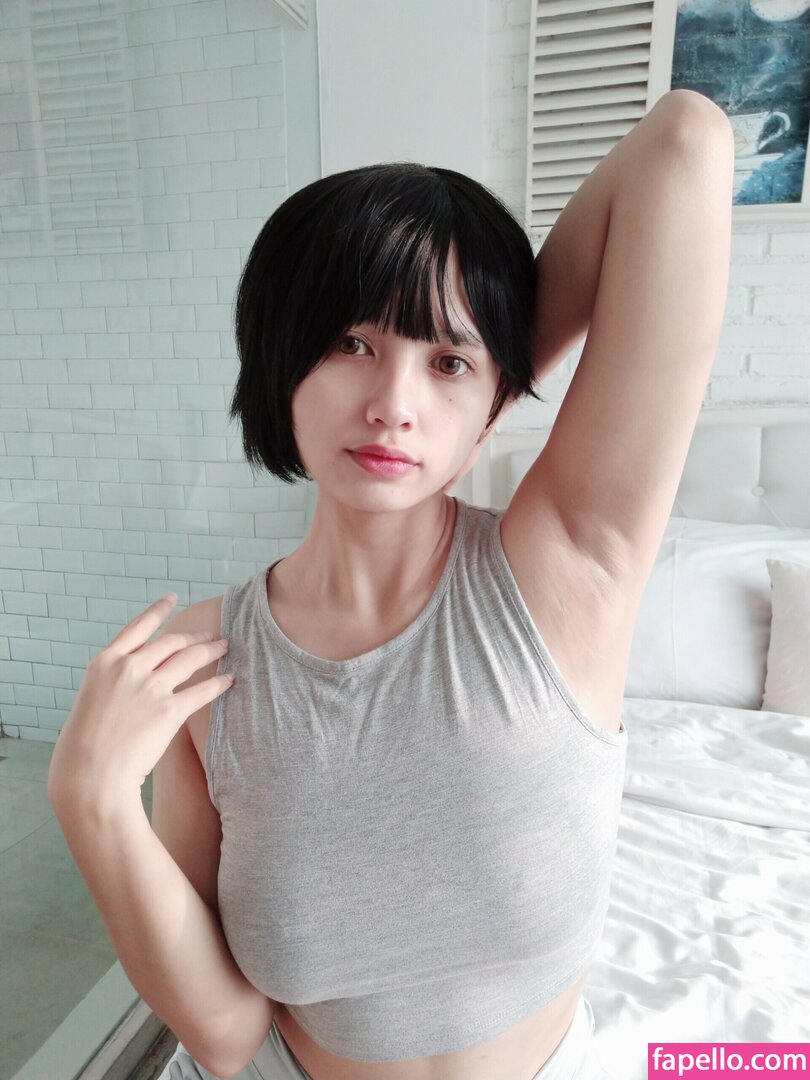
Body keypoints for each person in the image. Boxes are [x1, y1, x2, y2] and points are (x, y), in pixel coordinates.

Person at [48, 89, 734, 1080]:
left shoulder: (565, 570)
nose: (392, 406)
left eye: (444, 362)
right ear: (283, 358)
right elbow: (227, 1034)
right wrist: (91, 795)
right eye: (352, 344)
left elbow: (685, 142)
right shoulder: (202, 664)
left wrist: (489, 380)